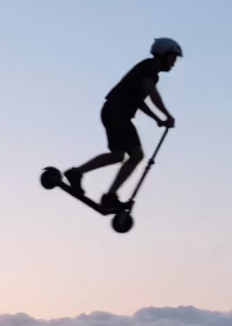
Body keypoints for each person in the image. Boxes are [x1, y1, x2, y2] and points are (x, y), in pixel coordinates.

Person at [64, 38, 182, 212]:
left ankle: (76, 173)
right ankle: (109, 196)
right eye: (173, 57)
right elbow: (153, 94)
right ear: (163, 54)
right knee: (136, 155)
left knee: (118, 156)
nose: (174, 62)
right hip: (117, 113)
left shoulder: (149, 72)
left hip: (113, 111)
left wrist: (157, 119)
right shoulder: (149, 67)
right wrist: (167, 115)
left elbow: (139, 101)